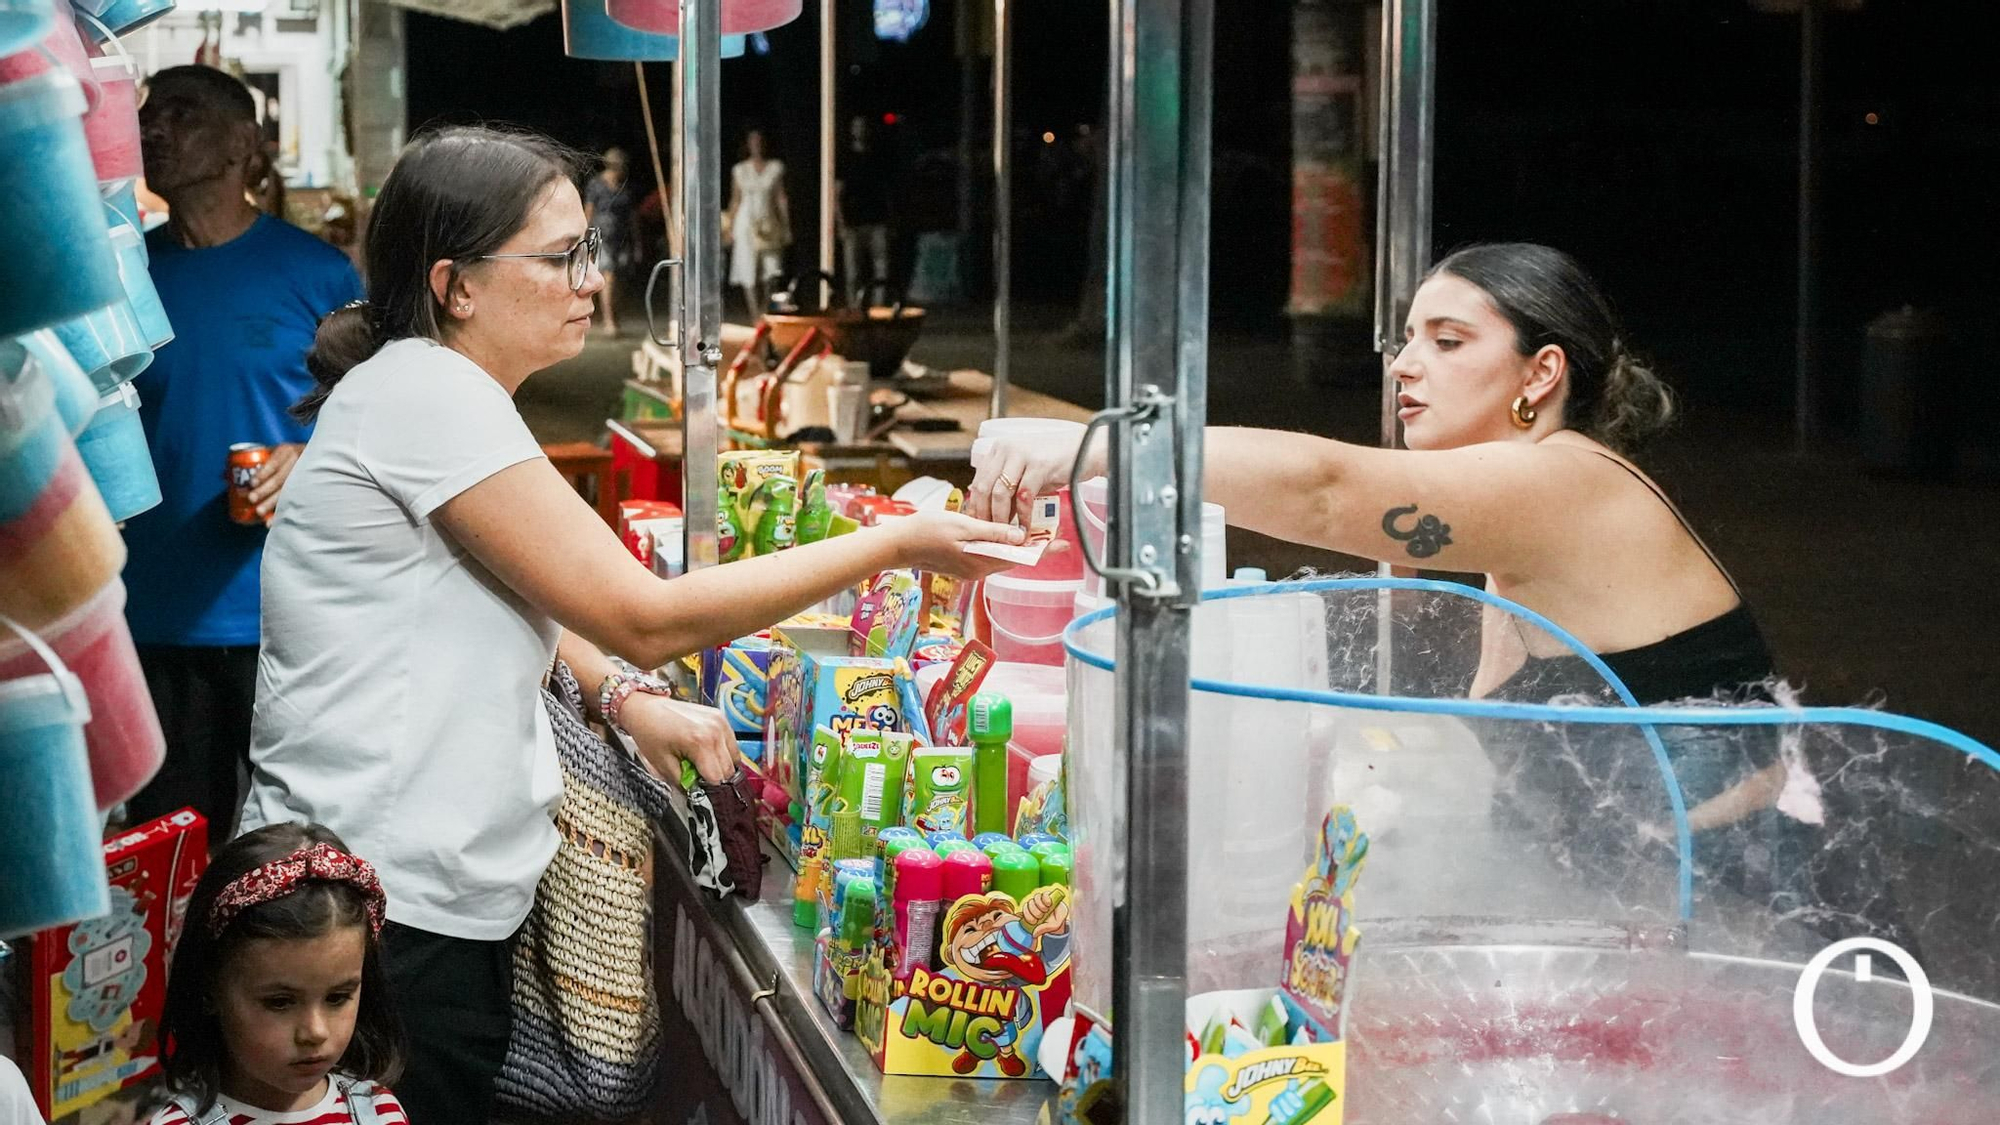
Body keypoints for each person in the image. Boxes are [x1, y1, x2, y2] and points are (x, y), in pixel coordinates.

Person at [238, 126, 1022, 1125]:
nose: (588, 277)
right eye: (560, 256)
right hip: (380, 913)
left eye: (585, 250)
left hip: (396, 892)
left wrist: (617, 694)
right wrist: (893, 543)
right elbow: (642, 615)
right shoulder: (429, 395)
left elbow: (519, 585)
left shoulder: (433, 389)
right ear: (456, 284)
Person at [969, 242, 1788, 834]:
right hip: (1647, 898)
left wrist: (1102, 443)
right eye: (1406, 338)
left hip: (1740, 912)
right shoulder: (1516, 524)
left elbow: (1325, 490)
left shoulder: (1570, 482)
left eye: (1448, 341)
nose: (1403, 365)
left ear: (1541, 374)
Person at [119, 65, 363, 842]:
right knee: (170, 851)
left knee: (288, 851)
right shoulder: (124, 276)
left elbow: (376, 422)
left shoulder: (317, 273)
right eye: (149, 114)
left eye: (181, 113)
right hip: (149, 614)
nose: (153, 127)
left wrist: (308, 455)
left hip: (284, 615)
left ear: (242, 145)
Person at [151, 823, 405, 1125]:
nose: (315, 1032)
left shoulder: (378, 1110)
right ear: (210, 988)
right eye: (280, 1002)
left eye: (337, 998)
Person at [727, 128, 790, 318]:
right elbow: (735, 199)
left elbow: (781, 198)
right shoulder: (740, 170)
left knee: (772, 270)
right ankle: (755, 315)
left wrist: (786, 225)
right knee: (748, 269)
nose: (757, 145)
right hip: (746, 223)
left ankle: (766, 309)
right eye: (753, 142)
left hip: (768, 221)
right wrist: (729, 226)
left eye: (760, 141)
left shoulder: (775, 167)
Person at [836, 115, 892, 305]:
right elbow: (837, 193)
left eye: (864, 127)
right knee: (853, 272)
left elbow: (886, 190)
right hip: (853, 222)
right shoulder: (846, 158)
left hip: (877, 220)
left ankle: (879, 308)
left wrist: (890, 218)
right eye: (857, 127)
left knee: (881, 268)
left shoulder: (879, 156)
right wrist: (840, 222)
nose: (860, 131)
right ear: (852, 131)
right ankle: (854, 308)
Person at [583, 147, 637, 335]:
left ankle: (612, 314)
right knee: (608, 276)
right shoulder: (596, 185)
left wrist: (636, 240)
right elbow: (589, 211)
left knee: (618, 278)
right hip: (601, 235)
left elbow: (631, 216)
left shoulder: (624, 186)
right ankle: (608, 321)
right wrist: (584, 239)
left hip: (620, 237)